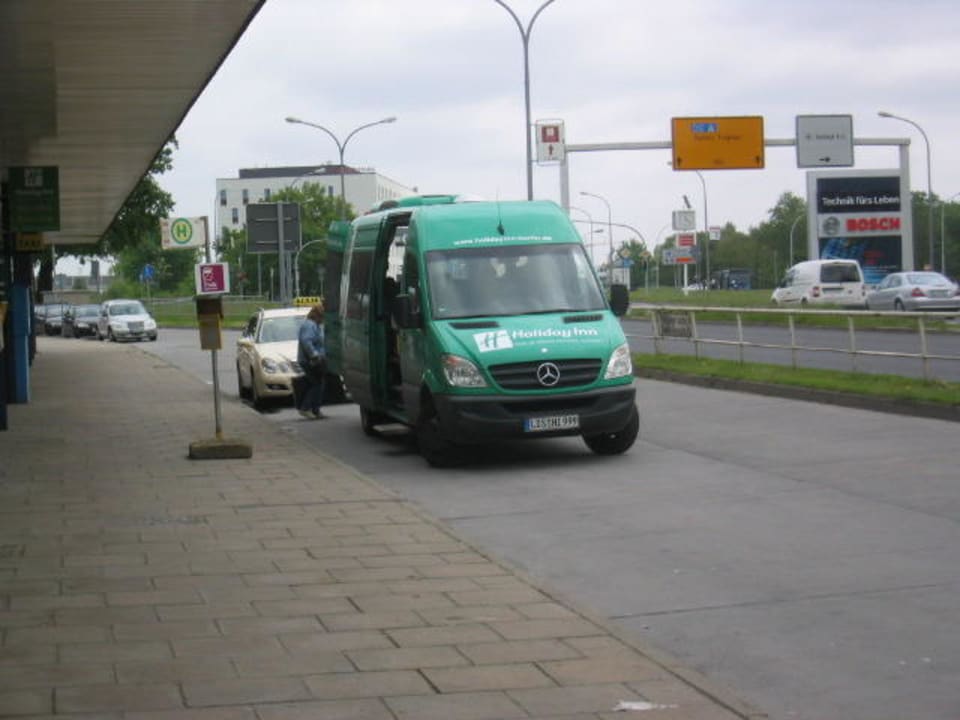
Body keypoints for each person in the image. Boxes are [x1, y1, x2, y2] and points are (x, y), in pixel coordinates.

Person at [297, 302, 326, 419]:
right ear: (317, 315)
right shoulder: (309, 325)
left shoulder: (315, 325)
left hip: (315, 360)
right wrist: (314, 355)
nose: (323, 319)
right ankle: (305, 408)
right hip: (309, 360)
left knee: (319, 383)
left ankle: (315, 410)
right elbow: (306, 342)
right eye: (322, 316)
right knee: (316, 384)